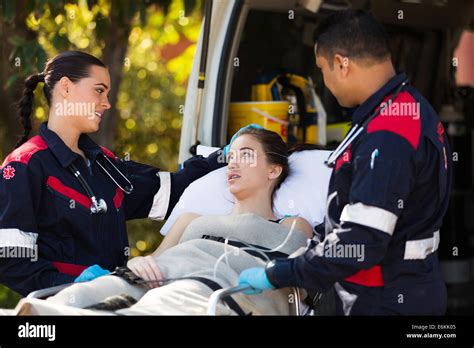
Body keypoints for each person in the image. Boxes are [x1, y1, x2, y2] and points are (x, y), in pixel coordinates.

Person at [239, 10, 452, 315]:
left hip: (385, 300)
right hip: (407, 289)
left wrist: (281, 273)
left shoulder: (388, 135)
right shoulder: (408, 108)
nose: (324, 81)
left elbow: (362, 241)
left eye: (322, 69)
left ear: (341, 63)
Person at [15, 128, 314, 315]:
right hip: (151, 278)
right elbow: (155, 259)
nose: (233, 163)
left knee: (161, 304)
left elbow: (296, 274)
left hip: (203, 287)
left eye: (245, 155)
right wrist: (138, 263)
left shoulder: (292, 225)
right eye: (231, 157)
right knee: (77, 296)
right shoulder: (191, 219)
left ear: (273, 171)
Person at [0, 51, 227, 296]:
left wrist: (228, 155)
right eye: (99, 90)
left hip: (117, 302)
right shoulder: (25, 164)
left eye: (107, 94)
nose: (107, 103)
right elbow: (11, 262)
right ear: (65, 88)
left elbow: (174, 191)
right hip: (59, 309)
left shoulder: (104, 163)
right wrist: (76, 284)